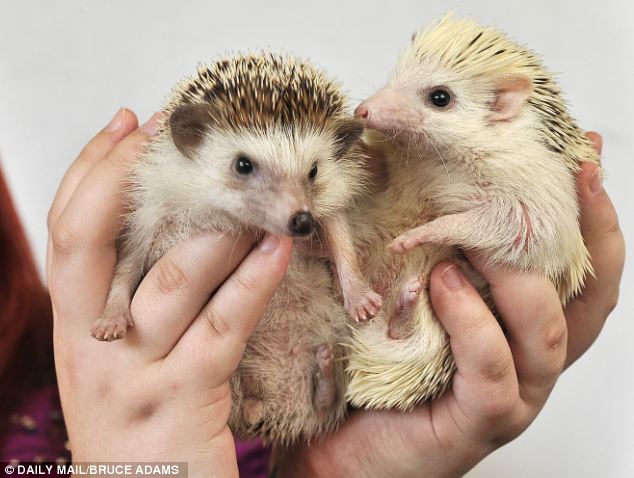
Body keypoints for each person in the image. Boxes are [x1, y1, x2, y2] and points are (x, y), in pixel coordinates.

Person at [46, 108, 624, 477]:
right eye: (246, 167)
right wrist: (117, 467)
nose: (293, 210)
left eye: (310, 178)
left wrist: (326, 473)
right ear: (190, 143)